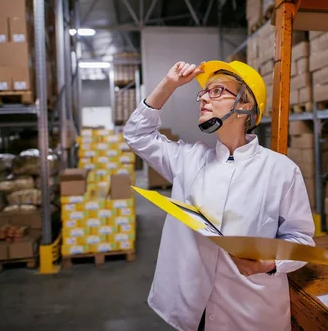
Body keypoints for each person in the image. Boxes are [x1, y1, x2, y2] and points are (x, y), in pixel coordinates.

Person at [123, 60, 315, 331]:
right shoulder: (187, 160)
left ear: (245, 105)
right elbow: (136, 135)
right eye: (203, 93)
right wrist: (169, 84)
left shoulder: (281, 170)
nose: (203, 98)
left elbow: (302, 240)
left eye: (217, 92)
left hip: (251, 314)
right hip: (192, 310)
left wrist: (269, 263)